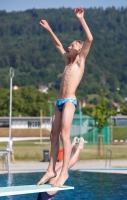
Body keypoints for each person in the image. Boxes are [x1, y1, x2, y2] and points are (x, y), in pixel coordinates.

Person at [38, 7, 93, 187]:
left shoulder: (80, 61)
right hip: (59, 102)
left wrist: (81, 19)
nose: (69, 47)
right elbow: (58, 45)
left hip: (69, 101)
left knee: (64, 135)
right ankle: (50, 169)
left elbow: (89, 39)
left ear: (78, 51)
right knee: (53, 134)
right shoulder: (67, 63)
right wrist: (49, 30)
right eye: (69, 46)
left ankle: (64, 173)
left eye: (72, 46)